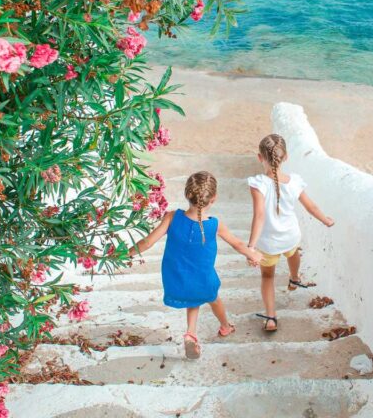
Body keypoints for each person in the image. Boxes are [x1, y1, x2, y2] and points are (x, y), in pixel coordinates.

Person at [132, 171, 262, 359]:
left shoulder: (171, 217)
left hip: (176, 278)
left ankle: (191, 334)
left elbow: (147, 243)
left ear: (187, 194)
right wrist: (254, 255)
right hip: (203, 281)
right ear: (213, 199)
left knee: (194, 295)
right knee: (212, 297)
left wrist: (125, 254)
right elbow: (237, 244)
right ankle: (226, 326)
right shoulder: (215, 225)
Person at [246, 134, 335, 332]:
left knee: (267, 277)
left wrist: (251, 247)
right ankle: (295, 277)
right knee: (293, 252)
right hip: (291, 236)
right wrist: (325, 220)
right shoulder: (295, 181)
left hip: (268, 243)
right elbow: (311, 206)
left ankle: (271, 318)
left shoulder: (257, 184)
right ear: (286, 157)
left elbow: (259, 216)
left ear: (260, 158)